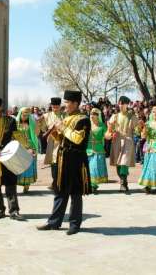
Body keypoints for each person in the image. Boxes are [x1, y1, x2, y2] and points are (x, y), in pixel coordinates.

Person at [37, 90, 92, 235]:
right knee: (60, 191)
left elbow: (77, 139)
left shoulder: (83, 119)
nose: (65, 105)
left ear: (75, 103)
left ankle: (74, 224)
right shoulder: (66, 118)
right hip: (63, 159)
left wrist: (61, 127)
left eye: (67, 102)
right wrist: (54, 133)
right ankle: (54, 222)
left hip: (76, 160)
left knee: (75, 193)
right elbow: (62, 140)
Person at [107, 96, 140, 193]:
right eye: (119, 103)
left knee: (124, 162)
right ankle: (123, 179)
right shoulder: (115, 116)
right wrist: (111, 131)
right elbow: (110, 129)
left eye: (123, 103)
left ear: (127, 104)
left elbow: (137, 130)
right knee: (118, 163)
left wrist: (140, 127)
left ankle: (123, 183)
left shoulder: (132, 116)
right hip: (117, 140)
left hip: (127, 140)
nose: (121, 105)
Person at [39, 97, 65, 190]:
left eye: (57, 106)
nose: (55, 108)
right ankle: (54, 182)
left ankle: (61, 182)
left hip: (62, 140)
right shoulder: (46, 116)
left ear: (60, 106)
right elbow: (42, 130)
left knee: (62, 161)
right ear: (51, 106)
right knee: (53, 162)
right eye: (53, 106)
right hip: (51, 141)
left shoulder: (64, 115)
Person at [15, 107, 38, 193]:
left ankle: (27, 185)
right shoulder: (15, 124)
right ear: (20, 114)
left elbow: (35, 135)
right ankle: (19, 182)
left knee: (28, 166)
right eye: (23, 115)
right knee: (19, 165)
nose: (25, 117)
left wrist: (34, 148)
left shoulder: (31, 124)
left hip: (29, 146)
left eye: (27, 115)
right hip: (19, 147)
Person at [86, 108, 109, 193]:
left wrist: (110, 131)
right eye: (91, 113)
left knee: (94, 167)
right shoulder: (87, 124)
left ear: (98, 115)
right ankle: (90, 185)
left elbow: (107, 136)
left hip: (98, 148)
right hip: (87, 149)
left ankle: (93, 185)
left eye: (94, 114)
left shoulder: (102, 125)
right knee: (88, 168)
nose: (92, 115)